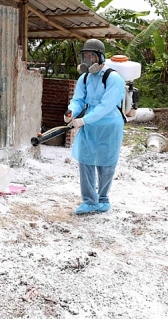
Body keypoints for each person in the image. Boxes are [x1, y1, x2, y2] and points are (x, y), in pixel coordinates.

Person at [64, 38, 125, 215]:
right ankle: (90, 201)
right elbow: (78, 99)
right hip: (90, 125)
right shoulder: (84, 78)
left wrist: (84, 120)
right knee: (86, 160)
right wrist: (71, 112)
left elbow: (106, 106)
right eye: (85, 56)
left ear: (100, 57)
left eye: (91, 56)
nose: (88, 61)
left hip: (110, 125)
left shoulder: (113, 78)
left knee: (106, 163)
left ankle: (103, 198)